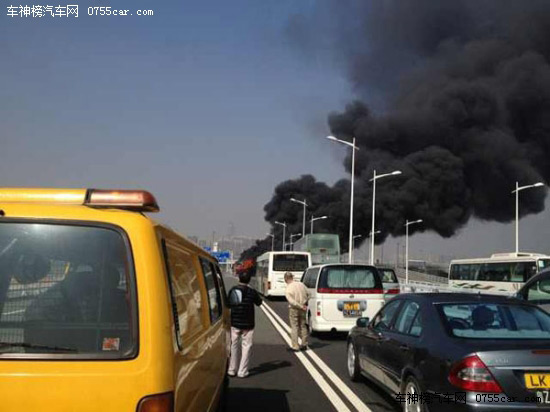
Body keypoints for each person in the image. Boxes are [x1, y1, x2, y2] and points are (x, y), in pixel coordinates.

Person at [227, 270, 262, 378]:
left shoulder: (233, 290)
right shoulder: (252, 292)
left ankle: (232, 369)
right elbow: (259, 302)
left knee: (233, 345)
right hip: (248, 324)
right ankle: (242, 371)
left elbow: (228, 304)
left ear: (239, 278)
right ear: (249, 280)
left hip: (235, 323)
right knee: (246, 347)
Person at [284, 272, 309, 351]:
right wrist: (305, 303)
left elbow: (292, 302)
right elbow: (310, 293)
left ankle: (295, 346)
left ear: (285, 279)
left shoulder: (288, 289)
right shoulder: (301, 284)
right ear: (292, 277)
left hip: (294, 308)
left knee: (294, 327)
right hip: (303, 307)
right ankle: (304, 344)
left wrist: (300, 305)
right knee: (303, 326)